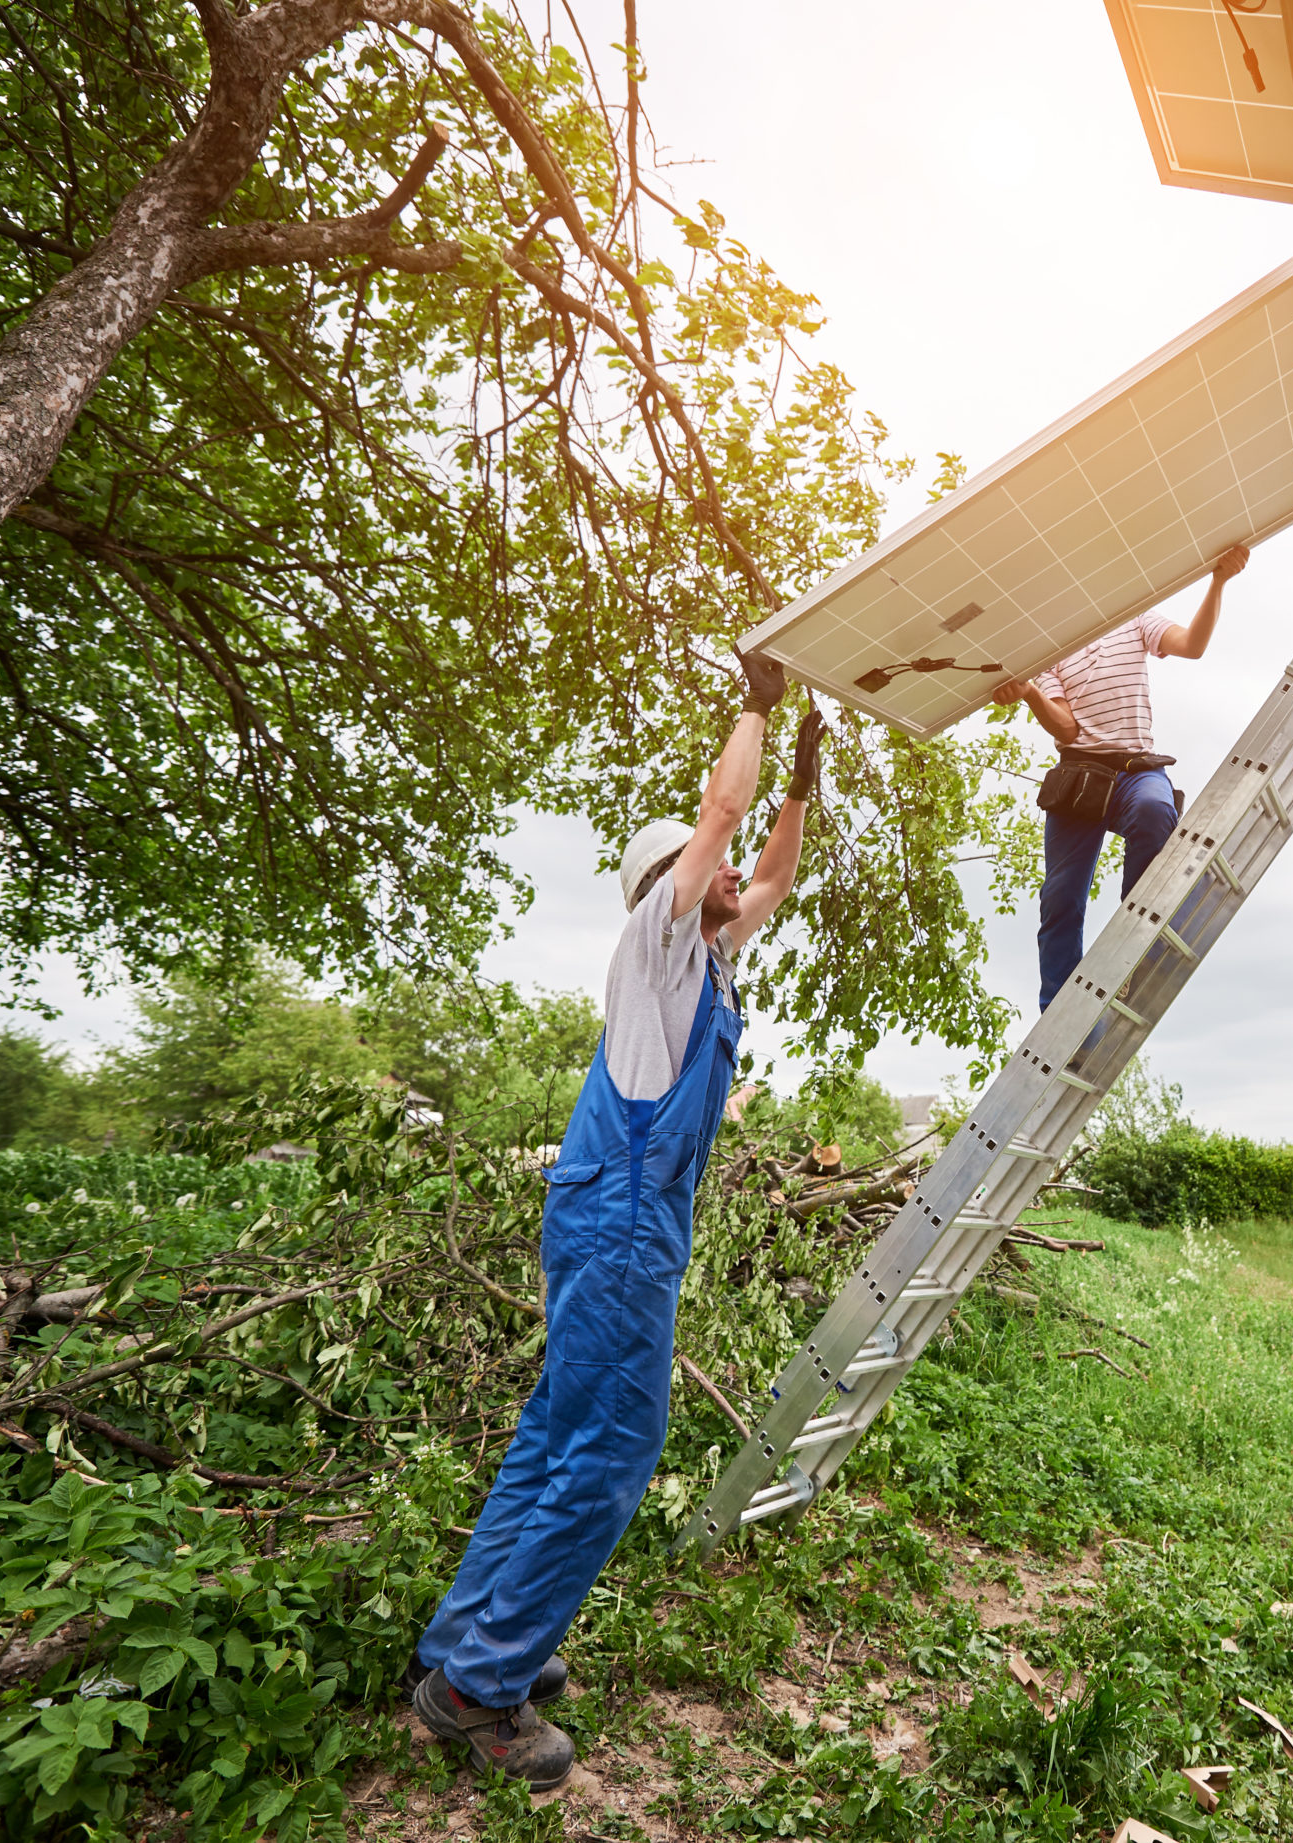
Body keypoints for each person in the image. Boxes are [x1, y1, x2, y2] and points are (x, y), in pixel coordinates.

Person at [406, 655, 823, 1785]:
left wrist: (806, 775)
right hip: (620, 1230)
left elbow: (770, 868)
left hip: (615, 1223)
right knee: (610, 1453)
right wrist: (757, 706)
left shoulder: (708, 971)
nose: (735, 871)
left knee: (555, 1436)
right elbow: (718, 814)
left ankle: (466, 1646)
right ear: (673, 888)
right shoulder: (656, 948)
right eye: (712, 867)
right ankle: (479, 1693)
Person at [993, 543, 1250, 1008]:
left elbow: (1191, 645)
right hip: (1079, 778)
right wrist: (1030, 693)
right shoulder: (1051, 649)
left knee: (1156, 809)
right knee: (1060, 898)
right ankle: (1058, 1008)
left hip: (1135, 769)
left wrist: (1218, 582)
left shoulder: (1134, 619)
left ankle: (1128, 950)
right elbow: (1067, 726)